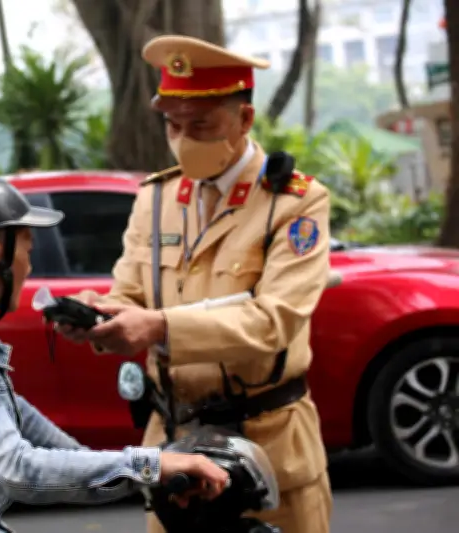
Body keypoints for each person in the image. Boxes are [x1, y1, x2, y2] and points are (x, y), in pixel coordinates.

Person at [0, 174, 230, 533]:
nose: (29, 267)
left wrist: (141, 474)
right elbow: (17, 470)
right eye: (28, 250)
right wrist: (149, 465)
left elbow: (19, 417)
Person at [58, 36, 333, 533]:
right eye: (173, 125)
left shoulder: (293, 203)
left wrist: (160, 327)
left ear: (244, 119)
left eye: (201, 125)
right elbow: (130, 293)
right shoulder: (156, 199)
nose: (184, 139)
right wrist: (100, 314)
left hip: (268, 453)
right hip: (174, 454)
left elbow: (275, 321)